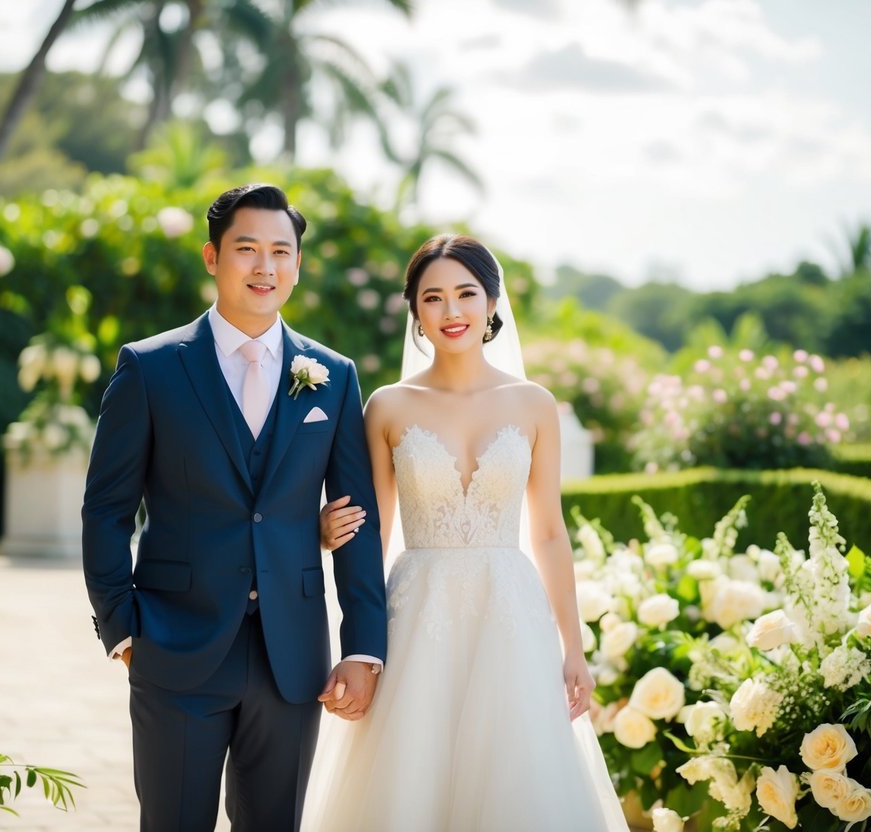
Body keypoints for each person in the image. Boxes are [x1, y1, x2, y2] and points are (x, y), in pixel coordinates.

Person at [81, 183, 388, 832]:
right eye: (247, 249)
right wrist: (123, 631)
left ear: (298, 265)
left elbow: (357, 519)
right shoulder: (150, 368)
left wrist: (363, 648)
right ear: (212, 257)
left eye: (281, 251)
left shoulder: (332, 376)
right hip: (174, 645)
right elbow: (105, 510)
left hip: (291, 657)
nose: (264, 266)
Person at [304, 234, 628, 831]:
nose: (451, 311)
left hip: (510, 615)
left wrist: (574, 649)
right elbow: (372, 535)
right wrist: (356, 642)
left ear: (492, 302)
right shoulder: (388, 406)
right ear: (415, 311)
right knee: (410, 774)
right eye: (433, 298)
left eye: (466, 294)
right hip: (415, 613)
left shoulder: (534, 404)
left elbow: (548, 533)